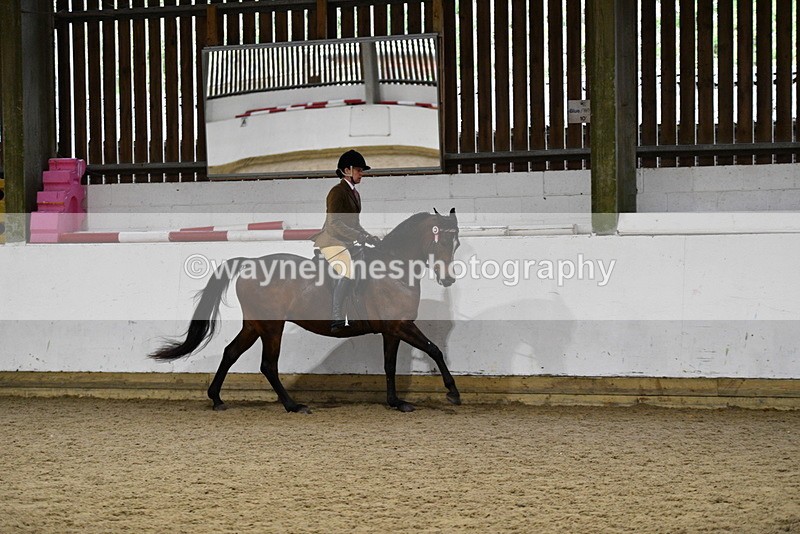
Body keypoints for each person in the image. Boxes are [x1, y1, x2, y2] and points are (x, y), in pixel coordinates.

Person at [312, 150, 381, 332]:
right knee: (347, 270)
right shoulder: (336, 192)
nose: (361, 174)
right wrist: (359, 237)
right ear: (346, 171)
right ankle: (336, 316)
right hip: (331, 241)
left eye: (361, 171)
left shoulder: (355, 194)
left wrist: (368, 236)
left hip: (346, 242)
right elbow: (334, 224)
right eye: (358, 170)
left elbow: (355, 224)